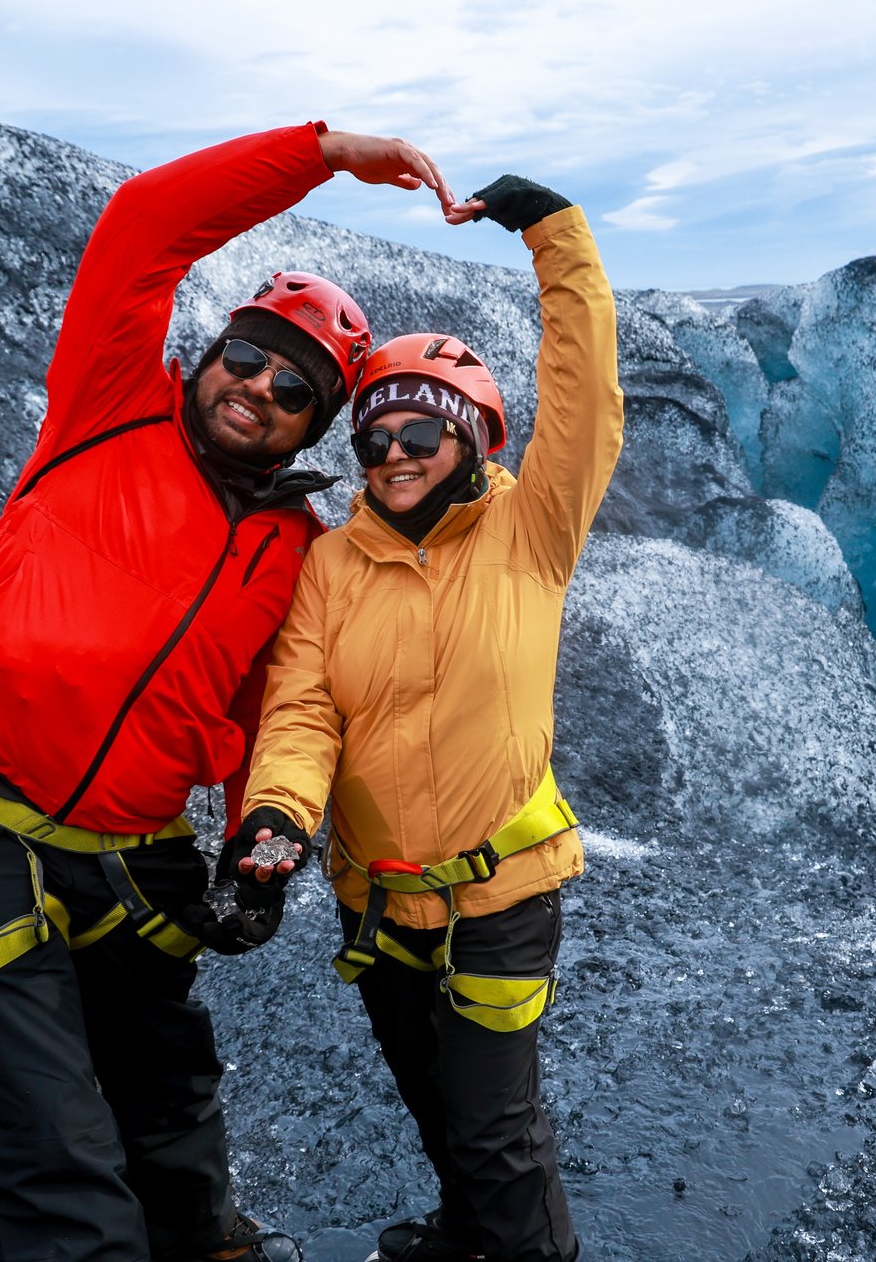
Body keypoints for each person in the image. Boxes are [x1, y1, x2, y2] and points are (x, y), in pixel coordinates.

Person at [0, 122, 464, 1262]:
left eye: (295, 386)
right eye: (246, 354)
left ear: (315, 422)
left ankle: (205, 1243)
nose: (258, 387)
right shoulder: (109, 403)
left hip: (129, 849)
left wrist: (261, 849)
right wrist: (322, 152)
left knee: (170, 1102)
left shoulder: (291, 544)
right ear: (211, 350)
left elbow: (265, 714)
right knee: (48, 1153)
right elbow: (143, 226)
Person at [232, 175, 623, 1262]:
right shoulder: (332, 561)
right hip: (378, 896)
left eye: (418, 433)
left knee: (499, 1129)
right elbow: (303, 707)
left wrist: (554, 234)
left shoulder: (531, 530)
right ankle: (466, 1234)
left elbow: (587, 392)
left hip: (500, 890)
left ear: (470, 437)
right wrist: (275, 816)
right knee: (436, 1102)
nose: (393, 454)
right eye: (373, 439)